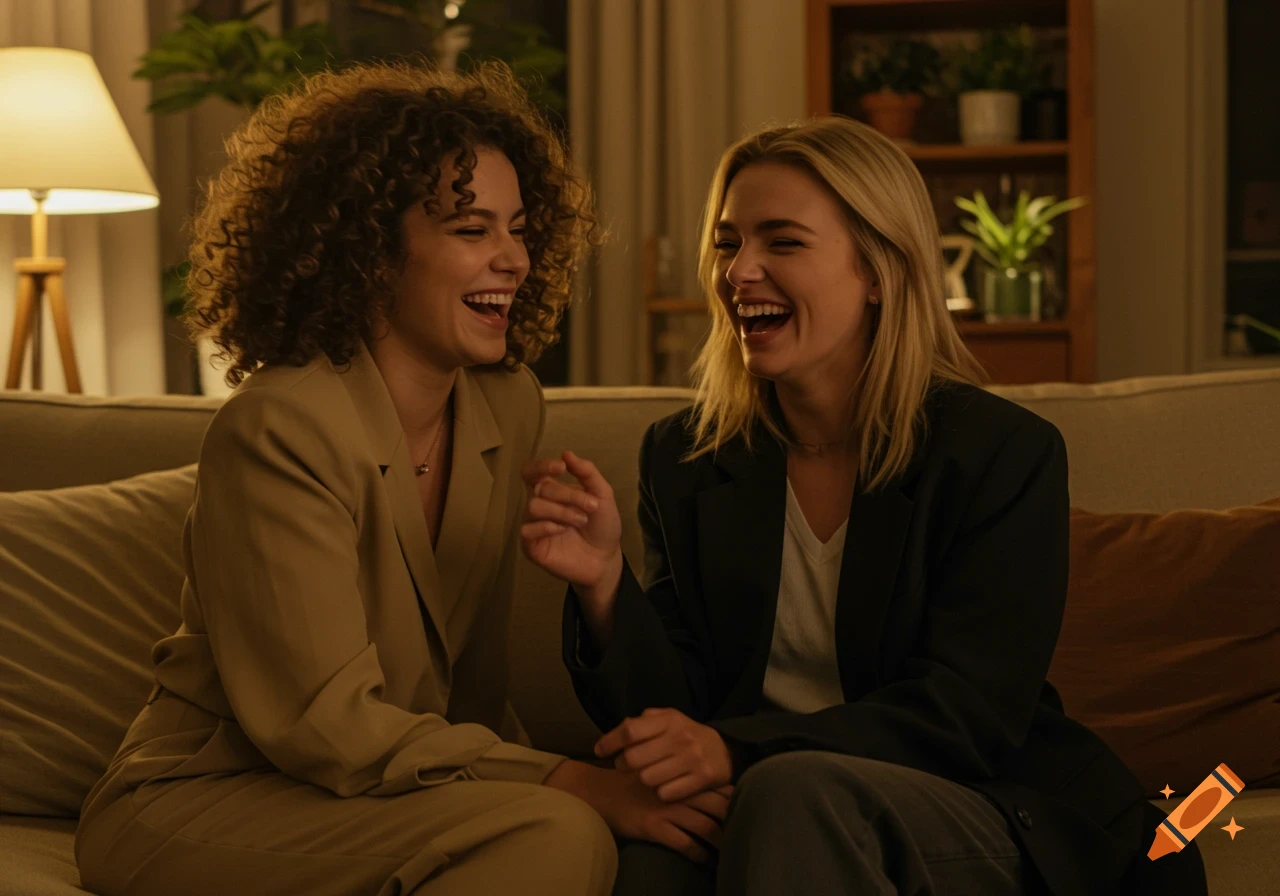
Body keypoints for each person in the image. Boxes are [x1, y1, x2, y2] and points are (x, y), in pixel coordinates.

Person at [75, 61, 728, 896]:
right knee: (558, 826)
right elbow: (323, 722)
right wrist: (566, 781)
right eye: (471, 230)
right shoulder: (280, 427)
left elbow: (475, 695)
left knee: (579, 834)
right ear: (371, 251)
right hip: (211, 796)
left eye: (520, 229)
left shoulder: (507, 406)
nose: (515, 260)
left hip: (383, 795)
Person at [520, 116, 1209, 896]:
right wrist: (605, 586)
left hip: (976, 803)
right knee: (648, 861)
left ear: (878, 270)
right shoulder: (683, 458)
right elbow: (674, 722)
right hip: (770, 801)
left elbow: (969, 713)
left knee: (793, 794)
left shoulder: (1000, 454)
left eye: (782, 242)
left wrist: (743, 753)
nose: (739, 271)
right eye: (727, 242)